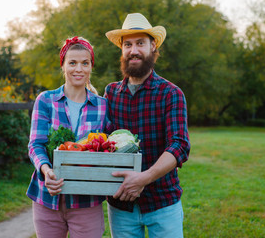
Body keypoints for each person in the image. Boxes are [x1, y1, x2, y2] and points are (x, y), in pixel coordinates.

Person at [104, 13, 191, 238]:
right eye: (128, 44)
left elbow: (179, 145)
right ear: (122, 50)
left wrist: (144, 178)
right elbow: (102, 145)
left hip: (163, 203)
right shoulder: (111, 93)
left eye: (140, 43)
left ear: (153, 46)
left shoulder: (171, 94)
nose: (134, 50)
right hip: (121, 204)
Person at [26, 36, 110, 238]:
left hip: (86, 201)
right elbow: (36, 144)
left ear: (91, 67)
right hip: (47, 198)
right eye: (72, 63)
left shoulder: (102, 106)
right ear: (63, 66)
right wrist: (46, 171)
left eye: (85, 63)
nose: (78, 69)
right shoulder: (46, 100)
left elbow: (109, 149)